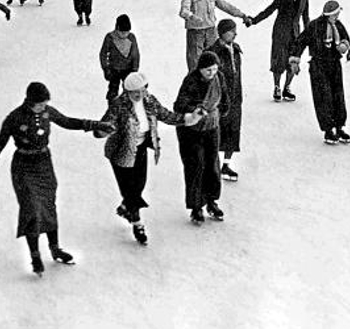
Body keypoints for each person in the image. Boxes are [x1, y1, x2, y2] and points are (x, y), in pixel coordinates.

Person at [0, 82, 110, 276]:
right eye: (39, 104)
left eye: (45, 103)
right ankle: (35, 255)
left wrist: (96, 125)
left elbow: (68, 122)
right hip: (24, 166)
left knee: (48, 205)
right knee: (31, 208)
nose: (43, 107)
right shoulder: (14, 118)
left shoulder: (48, 112)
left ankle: (55, 248)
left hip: (44, 163)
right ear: (30, 101)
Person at [96, 72, 202, 244]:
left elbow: (167, 116)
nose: (139, 95)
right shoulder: (119, 105)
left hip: (140, 148)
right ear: (126, 92)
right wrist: (102, 130)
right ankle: (137, 224)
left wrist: (191, 118)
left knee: (139, 184)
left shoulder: (150, 101)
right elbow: (103, 126)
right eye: (134, 92)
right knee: (130, 191)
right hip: (121, 152)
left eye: (142, 90)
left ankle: (126, 208)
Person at [289, 0, 350, 145]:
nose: (338, 15)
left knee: (338, 95)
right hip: (319, 65)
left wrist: (344, 45)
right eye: (336, 13)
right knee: (323, 97)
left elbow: (346, 38)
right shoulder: (314, 26)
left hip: (334, 64)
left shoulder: (338, 25)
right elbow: (300, 42)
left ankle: (339, 127)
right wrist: (295, 61)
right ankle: (328, 130)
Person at [173, 51, 228, 224]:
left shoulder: (219, 77)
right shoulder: (191, 80)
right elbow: (179, 104)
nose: (211, 73)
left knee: (212, 164)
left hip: (212, 127)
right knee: (196, 165)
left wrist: (222, 111)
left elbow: (225, 98)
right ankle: (196, 206)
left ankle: (211, 201)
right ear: (200, 70)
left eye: (214, 69)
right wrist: (196, 109)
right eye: (207, 71)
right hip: (192, 130)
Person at [249, 0, 310, 102]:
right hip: (280, 33)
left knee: (293, 60)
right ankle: (277, 87)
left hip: (295, 34)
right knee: (279, 60)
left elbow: (305, 18)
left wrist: (309, 34)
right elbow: (269, 10)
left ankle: (287, 88)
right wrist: (254, 20)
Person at [179, 0, 248, 72]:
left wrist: (242, 15)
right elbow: (184, 11)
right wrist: (192, 17)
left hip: (211, 31)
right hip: (196, 32)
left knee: (214, 59)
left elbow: (226, 6)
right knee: (195, 61)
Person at [207, 19, 244, 181]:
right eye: (231, 31)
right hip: (220, 101)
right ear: (222, 32)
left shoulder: (235, 50)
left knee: (233, 132)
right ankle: (212, 166)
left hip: (235, 98)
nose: (235, 34)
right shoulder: (212, 53)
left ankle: (226, 165)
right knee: (216, 133)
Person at [100, 14, 141, 104]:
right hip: (114, 69)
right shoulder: (110, 38)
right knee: (113, 90)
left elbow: (135, 54)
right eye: (122, 32)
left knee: (129, 89)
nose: (124, 34)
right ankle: (111, 107)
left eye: (126, 32)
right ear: (117, 29)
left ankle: (128, 107)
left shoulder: (131, 38)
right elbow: (103, 53)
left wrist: (135, 68)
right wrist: (106, 68)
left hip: (128, 69)